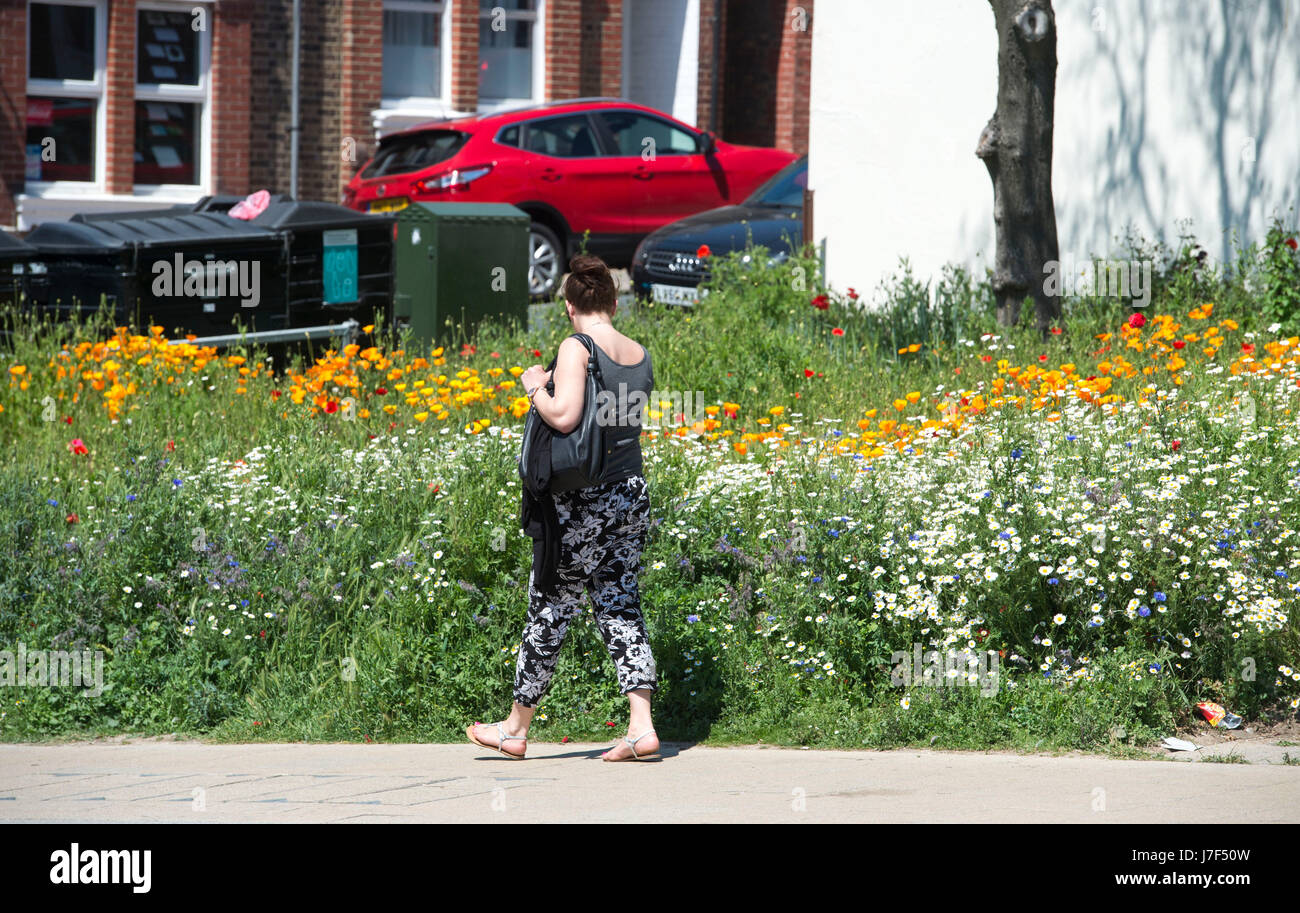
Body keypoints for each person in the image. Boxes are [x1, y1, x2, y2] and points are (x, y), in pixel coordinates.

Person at [467, 255, 660, 762]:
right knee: (619, 602)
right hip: (630, 492)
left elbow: (566, 415)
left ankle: (514, 728)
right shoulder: (638, 353)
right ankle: (641, 727)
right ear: (614, 302)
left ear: (571, 307)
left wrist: (534, 384)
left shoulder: (577, 347)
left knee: (550, 603)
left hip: (582, 501)